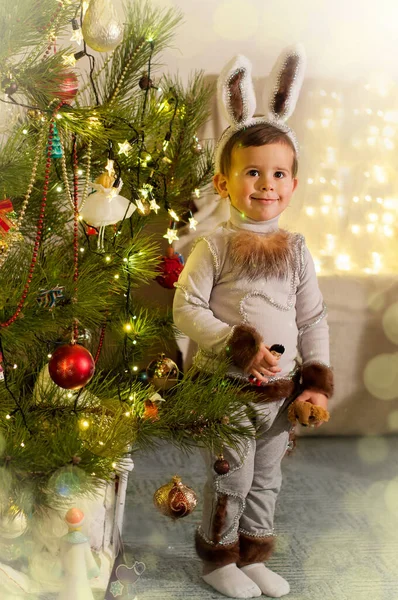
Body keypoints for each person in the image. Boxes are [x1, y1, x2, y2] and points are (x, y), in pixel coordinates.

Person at [173, 46, 334, 599]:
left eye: (279, 174)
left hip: (280, 393)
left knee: (267, 478)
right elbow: (186, 309)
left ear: (292, 184)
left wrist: (315, 383)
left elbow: (311, 317)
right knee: (231, 475)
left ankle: (253, 552)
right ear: (224, 183)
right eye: (252, 173)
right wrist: (235, 343)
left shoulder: (296, 249)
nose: (266, 184)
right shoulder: (212, 248)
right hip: (228, 390)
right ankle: (219, 557)